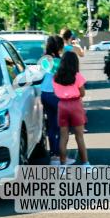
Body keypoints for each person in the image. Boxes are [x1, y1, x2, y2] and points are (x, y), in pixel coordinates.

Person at [39, 36, 74, 165]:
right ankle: (60, 156)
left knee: (52, 125)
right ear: (60, 47)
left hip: (45, 95)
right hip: (58, 96)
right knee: (63, 127)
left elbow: (40, 77)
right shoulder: (60, 61)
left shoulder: (43, 60)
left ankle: (53, 155)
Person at [52, 51, 91, 167]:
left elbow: (55, 92)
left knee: (63, 136)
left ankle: (63, 164)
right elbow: (82, 93)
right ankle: (85, 164)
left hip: (62, 105)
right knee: (79, 136)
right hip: (75, 105)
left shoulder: (56, 76)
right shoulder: (77, 76)